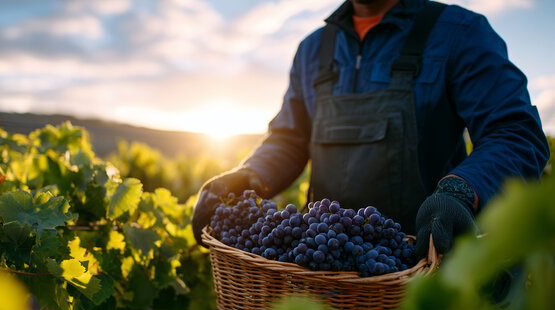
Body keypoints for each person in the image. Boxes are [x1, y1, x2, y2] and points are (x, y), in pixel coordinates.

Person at [191, 0, 550, 257]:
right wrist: (248, 176)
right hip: (323, 263)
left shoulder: (460, 33)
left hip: (424, 264)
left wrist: (459, 192)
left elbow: (515, 133)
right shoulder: (312, 49)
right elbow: (289, 138)